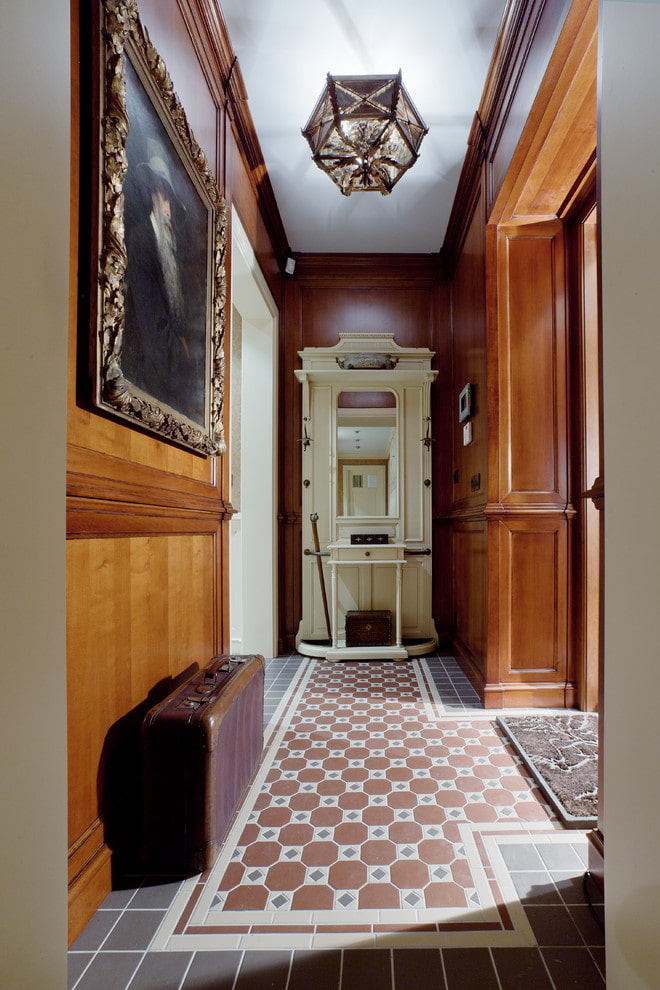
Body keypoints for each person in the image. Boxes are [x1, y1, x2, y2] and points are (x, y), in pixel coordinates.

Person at [122, 140, 204, 424]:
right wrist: (182, 361)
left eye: (170, 199)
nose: (168, 210)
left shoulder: (171, 250)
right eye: (162, 197)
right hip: (154, 375)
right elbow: (152, 322)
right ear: (152, 195)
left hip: (175, 375)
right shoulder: (143, 240)